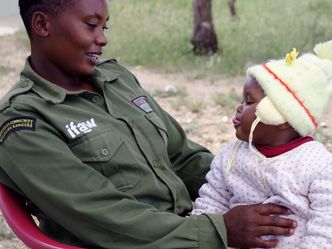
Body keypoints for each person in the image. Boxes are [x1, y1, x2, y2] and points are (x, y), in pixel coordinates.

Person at [0, 0, 297, 248]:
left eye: (105, 27)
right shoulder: (24, 122)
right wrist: (221, 231)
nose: (103, 39)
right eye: (92, 25)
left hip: (192, 225)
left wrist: (261, 184)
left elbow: (183, 156)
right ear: (42, 25)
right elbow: (102, 216)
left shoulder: (115, 79)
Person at [192, 41, 332, 248]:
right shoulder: (230, 156)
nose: (239, 108)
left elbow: (326, 225)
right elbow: (211, 202)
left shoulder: (317, 164)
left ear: (282, 117)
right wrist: (196, 237)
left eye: (249, 102)